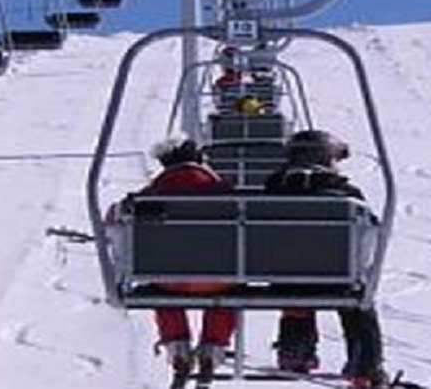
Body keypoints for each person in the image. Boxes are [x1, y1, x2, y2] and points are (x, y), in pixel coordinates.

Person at [264, 130, 388, 389]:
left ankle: (295, 350)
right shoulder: (346, 194)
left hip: (283, 280)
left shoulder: (272, 190)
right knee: (358, 299)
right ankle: (365, 367)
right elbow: (369, 234)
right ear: (323, 158)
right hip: (335, 280)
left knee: (295, 281)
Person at [139, 137, 237, 385]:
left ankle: (178, 351)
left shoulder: (155, 191)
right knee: (227, 295)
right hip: (218, 277)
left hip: (171, 279)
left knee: (163, 295)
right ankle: (212, 349)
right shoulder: (220, 188)